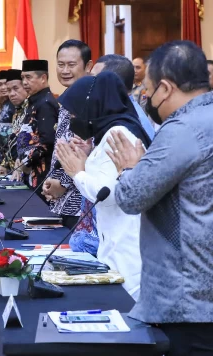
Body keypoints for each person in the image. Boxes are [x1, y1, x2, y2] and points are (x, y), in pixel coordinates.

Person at [106, 40, 213, 356]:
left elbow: (131, 197)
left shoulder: (186, 128)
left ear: (165, 87)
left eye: (146, 90)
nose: (145, 98)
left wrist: (130, 168)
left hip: (191, 293)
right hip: (208, 285)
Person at [55, 71, 151, 300]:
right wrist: (87, 161)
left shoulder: (119, 133)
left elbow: (106, 194)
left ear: (92, 106)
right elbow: (106, 177)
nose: (74, 118)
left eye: (76, 112)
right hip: (114, 241)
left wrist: (77, 172)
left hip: (127, 246)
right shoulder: (109, 132)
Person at [43, 40, 92, 229]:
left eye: (71, 65)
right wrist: (52, 183)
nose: (65, 70)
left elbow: (84, 150)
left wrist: (61, 184)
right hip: (62, 200)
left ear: (88, 66)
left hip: (79, 202)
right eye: (61, 64)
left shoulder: (89, 100)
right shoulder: (68, 97)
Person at [17, 59, 58, 193]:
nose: (24, 82)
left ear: (43, 78)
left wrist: (26, 162)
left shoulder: (45, 103)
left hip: (41, 173)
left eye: (28, 77)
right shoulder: (34, 101)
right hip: (30, 169)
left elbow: (48, 142)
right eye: (22, 78)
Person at [92, 54, 155, 140]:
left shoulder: (126, 125)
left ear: (111, 83)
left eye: (94, 79)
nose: (89, 84)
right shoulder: (117, 112)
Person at [1, 69, 29, 175]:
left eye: (15, 88)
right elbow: (12, 141)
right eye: (9, 90)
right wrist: (4, 164)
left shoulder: (31, 109)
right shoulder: (16, 111)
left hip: (26, 169)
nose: (12, 94)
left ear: (25, 87)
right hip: (15, 172)